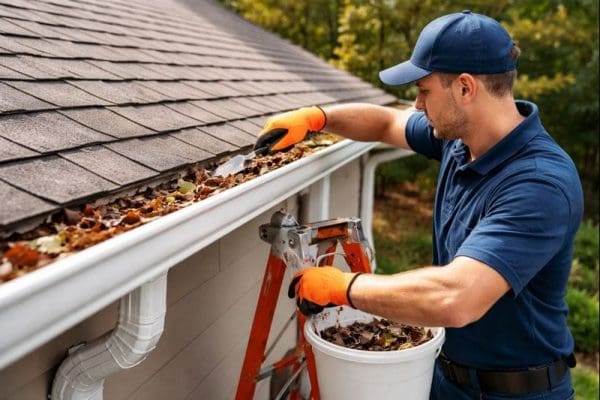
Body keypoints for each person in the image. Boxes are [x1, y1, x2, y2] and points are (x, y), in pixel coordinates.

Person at [254, 10, 583, 400]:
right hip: (446, 379)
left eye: (424, 90)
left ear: (465, 88)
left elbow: (457, 297)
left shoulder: (539, 183)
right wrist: (316, 118)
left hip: (518, 393)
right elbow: (384, 123)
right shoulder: (460, 140)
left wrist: (345, 287)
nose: (417, 103)